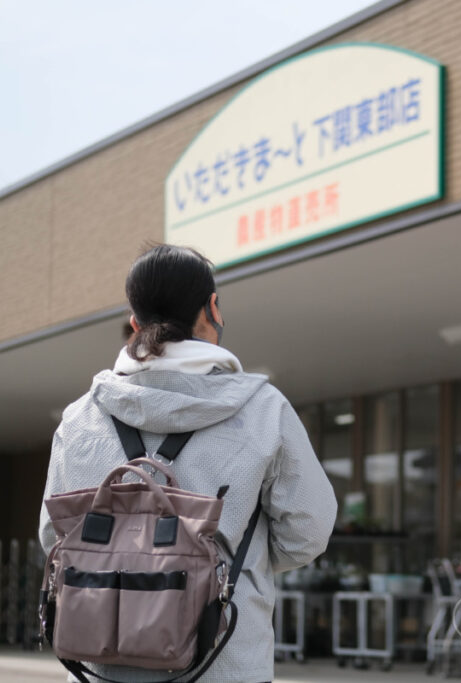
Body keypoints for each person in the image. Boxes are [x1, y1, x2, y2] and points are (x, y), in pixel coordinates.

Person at [38, 244, 337, 683]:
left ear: (135, 322)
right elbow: (308, 531)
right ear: (212, 309)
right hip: (222, 661)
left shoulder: (80, 418)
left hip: (98, 666)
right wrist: (225, 559)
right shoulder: (263, 410)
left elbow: (53, 537)